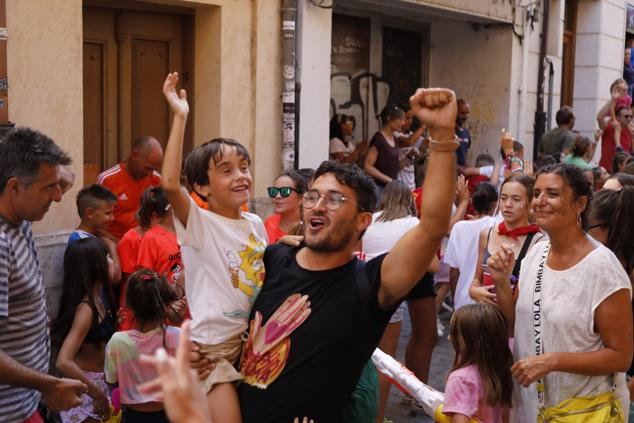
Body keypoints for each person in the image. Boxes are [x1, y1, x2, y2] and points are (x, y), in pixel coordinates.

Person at [234, 88, 457, 423]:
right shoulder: (274, 258)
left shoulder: (369, 285)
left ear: (363, 221)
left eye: (335, 200)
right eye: (312, 196)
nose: (318, 206)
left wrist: (441, 135)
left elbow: (433, 226)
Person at [489, 164, 633, 422]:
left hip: (583, 411)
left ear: (579, 204)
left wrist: (552, 361)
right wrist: (500, 282)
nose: (539, 202)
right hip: (530, 408)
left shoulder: (603, 269)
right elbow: (515, 326)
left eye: (552, 194)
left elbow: (621, 356)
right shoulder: (536, 253)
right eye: (536, 193)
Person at [161, 72, 267, 423]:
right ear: (202, 188)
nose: (241, 176)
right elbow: (170, 184)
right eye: (226, 170)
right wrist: (180, 116)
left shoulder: (254, 224)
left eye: (244, 167)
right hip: (212, 353)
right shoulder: (199, 226)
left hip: (254, 344)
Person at [0, 128, 86, 422]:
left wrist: (52, 174)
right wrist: (50, 384)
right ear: (14, 187)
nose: (60, 196)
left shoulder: (19, 215)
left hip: (27, 400)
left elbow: (69, 176)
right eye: (49, 187)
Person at [360, 180, 439, 422]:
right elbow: (433, 265)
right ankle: (392, 406)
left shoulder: (369, 220)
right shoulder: (414, 224)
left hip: (363, 287)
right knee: (386, 359)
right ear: (409, 200)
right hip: (394, 290)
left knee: (366, 354)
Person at [51, 237, 117, 422]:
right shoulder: (86, 310)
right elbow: (63, 361)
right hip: (86, 389)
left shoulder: (100, 299)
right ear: (97, 266)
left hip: (100, 384)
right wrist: (97, 394)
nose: (111, 261)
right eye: (107, 257)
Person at [105, 269, 181, 423]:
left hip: (133, 416)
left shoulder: (118, 341)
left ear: (129, 304)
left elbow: (111, 380)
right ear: (164, 304)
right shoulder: (176, 336)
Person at [469, 174, 543, 304]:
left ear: (530, 202)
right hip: (486, 317)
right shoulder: (487, 234)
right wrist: (474, 291)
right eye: (503, 198)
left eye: (516, 199)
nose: (508, 204)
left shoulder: (538, 242)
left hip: (516, 319)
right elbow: (477, 279)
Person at [441, 303, 513, 422]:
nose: (449, 337)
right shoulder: (500, 368)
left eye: (454, 333)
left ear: (474, 343)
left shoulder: (460, 379)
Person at [136, 187, 188, 324]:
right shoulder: (152, 238)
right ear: (172, 206)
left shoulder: (191, 232)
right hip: (165, 319)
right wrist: (166, 308)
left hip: (193, 317)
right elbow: (145, 282)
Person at [444, 182, 499, 311]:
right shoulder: (496, 224)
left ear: (472, 202)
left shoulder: (459, 228)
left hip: (462, 300)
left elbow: (453, 272)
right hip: (487, 300)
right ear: (495, 203)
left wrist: (455, 299)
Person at [98, 135, 163, 239]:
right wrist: (119, 246)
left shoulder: (157, 180)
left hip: (146, 243)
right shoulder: (108, 180)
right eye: (147, 168)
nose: (150, 174)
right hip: (115, 243)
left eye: (153, 169)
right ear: (134, 154)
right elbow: (97, 226)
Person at [68, 184, 122, 285]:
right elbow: (115, 277)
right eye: (108, 213)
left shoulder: (96, 236)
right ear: (89, 213)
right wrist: (111, 246)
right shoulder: (82, 241)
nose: (112, 218)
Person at [363, 104, 406, 198]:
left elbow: (394, 167)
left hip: (390, 190)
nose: (403, 123)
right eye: (400, 119)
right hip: (378, 188)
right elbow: (367, 166)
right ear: (389, 119)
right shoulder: (378, 139)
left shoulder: (394, 139)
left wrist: (409, 158)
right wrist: (389, 180)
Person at [597, 79, 634, 169]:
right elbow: (599, 117)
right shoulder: (610, 126)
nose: (629, 118)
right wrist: (612, 99)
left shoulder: (630, 129)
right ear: (618, 117)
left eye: (630, 116)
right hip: (608, 171)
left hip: (624, 173)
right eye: (626, 116)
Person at [264, 170, 307, 244]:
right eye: (274, 191)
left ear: (301, 198)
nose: (277, 196)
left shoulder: (308, 228)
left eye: (285, 191)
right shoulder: (269, 222)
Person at [395, 104, 426, 190]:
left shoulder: (411, 134)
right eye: (407, 118)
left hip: (411, 183)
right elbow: (409, 142)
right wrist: (422, 127)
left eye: (411, 118)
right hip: (399, 183)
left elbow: (427, 143)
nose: (411, 121)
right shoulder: (395, 134)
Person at [455, 98, 472, 171]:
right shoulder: (448, 132)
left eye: (467, 113)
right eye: (462, 113)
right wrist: (457, 167)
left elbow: (464, 155)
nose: (465, 116)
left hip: (461, 175)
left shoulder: (466, 133)